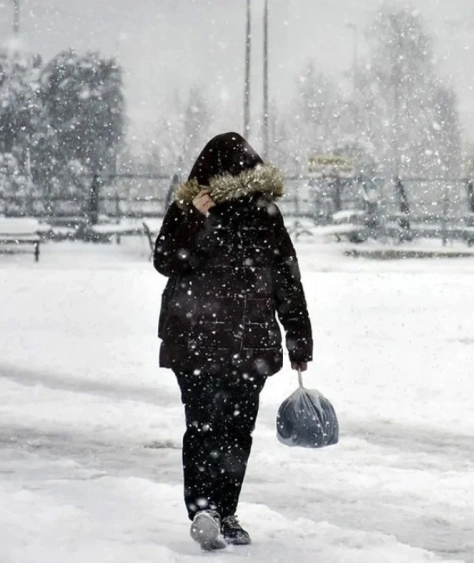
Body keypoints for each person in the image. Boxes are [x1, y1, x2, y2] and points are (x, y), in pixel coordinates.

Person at [153, 132, 312, 550]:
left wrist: (298, 337)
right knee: (230, 430)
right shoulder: (199, 211)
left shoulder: (261, 214)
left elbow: (283, 276)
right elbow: (167, 261)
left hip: (211, 340)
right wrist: (297, 337)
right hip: (225, 341)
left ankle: (214, 510)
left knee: (211, 428)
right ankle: (215, 511)